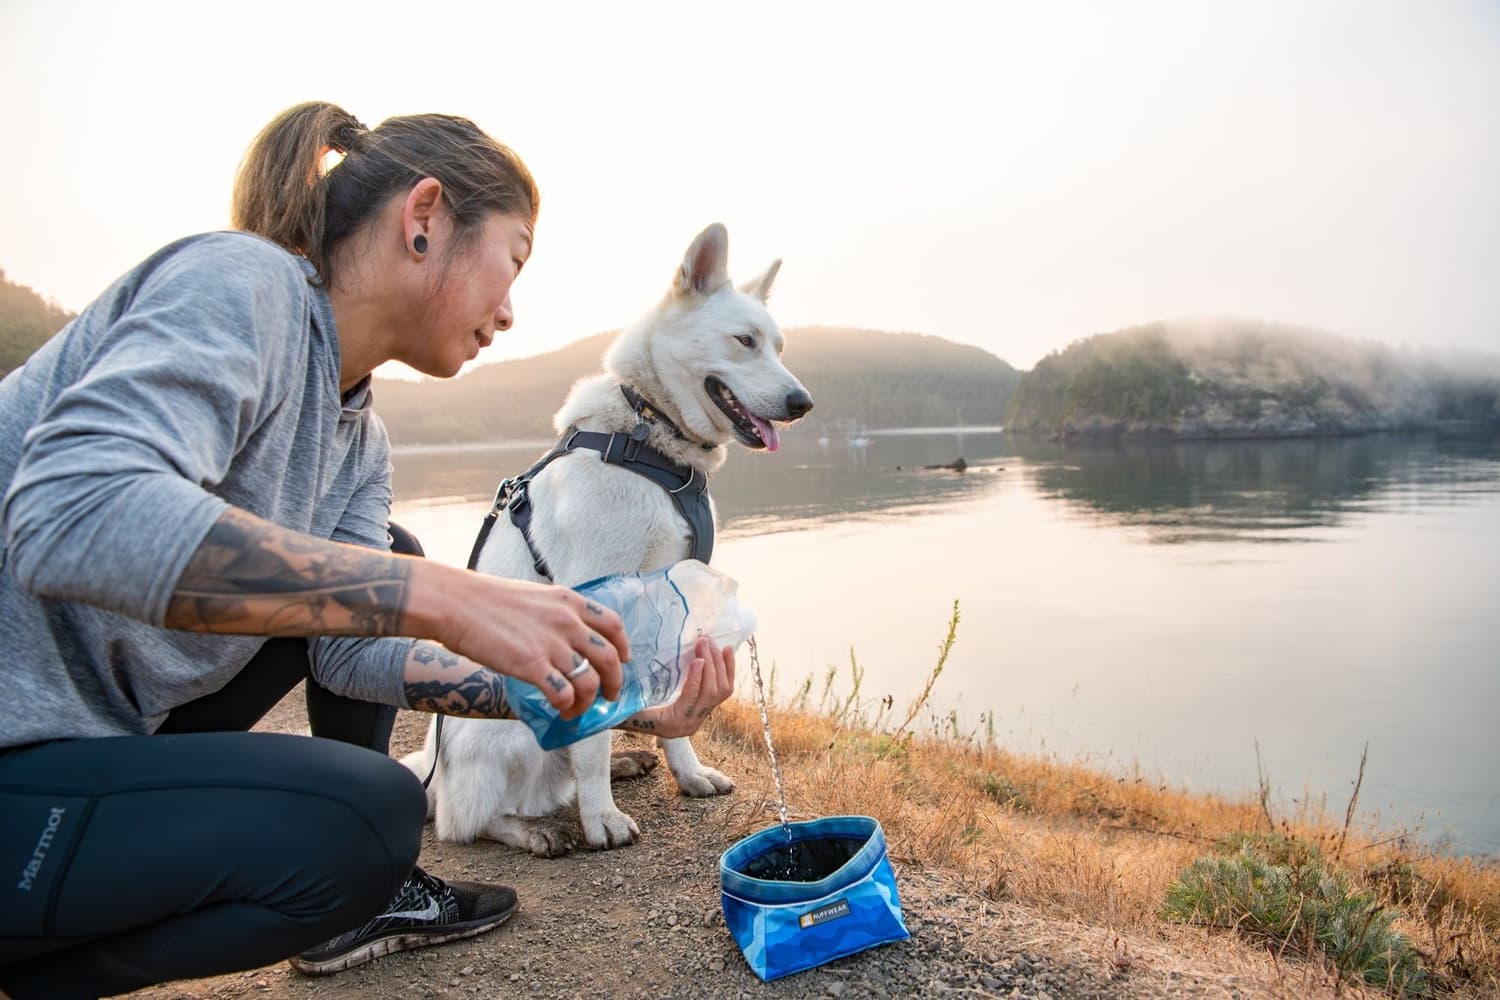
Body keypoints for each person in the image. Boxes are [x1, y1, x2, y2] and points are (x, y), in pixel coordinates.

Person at [0, 102, 737, 1000]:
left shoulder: (357, 438)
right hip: (20, 749)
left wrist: (608, 701)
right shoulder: (242, 282)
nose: (510, 311)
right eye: (512, 260)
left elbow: (347, 653)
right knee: (369, 813)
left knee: (386, 560)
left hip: (84, 746)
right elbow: (68, 511)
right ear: (424, 218)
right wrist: (446, 596)